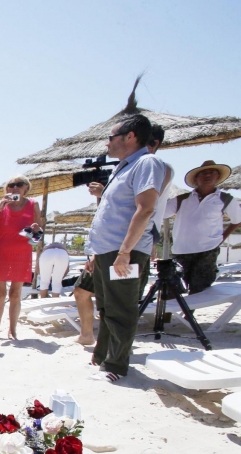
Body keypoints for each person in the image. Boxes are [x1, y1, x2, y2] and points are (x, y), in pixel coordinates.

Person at [88, 113, 165, 383]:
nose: (107, 143)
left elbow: (145, 210)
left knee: (121, 308)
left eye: (111, 137)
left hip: (125, 251)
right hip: (108, 250)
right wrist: (96, 251)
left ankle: (116, 366)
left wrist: (124, 253)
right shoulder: (124, 166)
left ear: (130, 137)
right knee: (107, 307)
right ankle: (103, 357)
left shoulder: (147, 162)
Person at [165, 160, 241, 295]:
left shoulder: (225, 199)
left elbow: (237, 220)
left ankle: (188, 316)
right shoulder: (182, 199)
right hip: (181, 251)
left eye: (212, 172)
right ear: (196, 178)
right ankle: (172, 316)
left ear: (217, 177)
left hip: (207, 251)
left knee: (199, 290)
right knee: (172, 291)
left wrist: (221, 238)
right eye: (204, 173)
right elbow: (159, 213)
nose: (208, 175)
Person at [0, 175, 42, 340]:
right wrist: (0, 206)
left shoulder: (33, 204)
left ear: (26, 188)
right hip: (0, 252)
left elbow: (38, 236)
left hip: (21, 253)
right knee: (0, 294)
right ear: (7, 189)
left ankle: (12, 330)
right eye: (11, 185)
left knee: (15, 294)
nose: (15, 187)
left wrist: (36, 229)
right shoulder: (1, 205)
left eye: (19, 184)